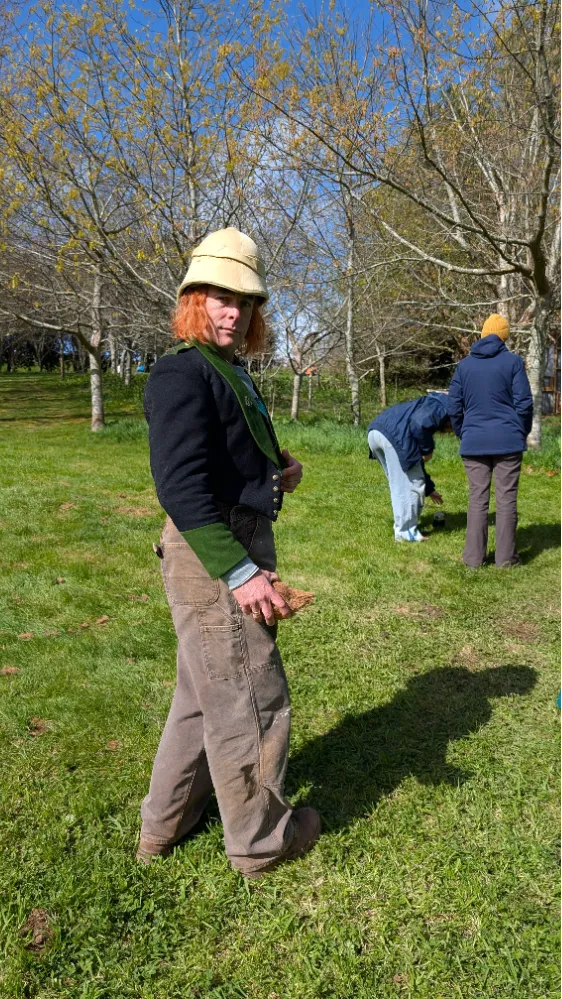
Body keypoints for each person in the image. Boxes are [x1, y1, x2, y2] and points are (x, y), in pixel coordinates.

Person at [137, 227, 321, 878]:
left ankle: (165, 824)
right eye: (218, 296)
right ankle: (261, 840)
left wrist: (275, 468)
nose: (232, 311)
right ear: (193, 298)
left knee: (202, 695)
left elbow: (223, 455)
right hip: (214, 549)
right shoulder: (180, 371)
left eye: (244, 301)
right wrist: (241, 572)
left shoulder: (225, 370)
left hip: (231, 534)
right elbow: (181, 486)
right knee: (252, 694)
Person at [448, 313, 533, 568]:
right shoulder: (513, 362)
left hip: (474, 441)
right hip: (508, 440)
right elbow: (525, 404)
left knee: (477, 499)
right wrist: (521, 431)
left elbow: (453, 406)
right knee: (506, 499)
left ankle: (473, 559)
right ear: (504, 336)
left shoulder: (464, 366)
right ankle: (506, 560)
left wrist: (464, 432)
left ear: (483, 335)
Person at [367, 393, 448, 541]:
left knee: (400, 484)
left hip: (376, 432)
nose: (449, 432)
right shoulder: (442, 406)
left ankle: (404, 529)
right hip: (394, 437)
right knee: (409, 487)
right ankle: (406, 533)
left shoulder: (430, 402)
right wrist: (427, 450)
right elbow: (419, 423)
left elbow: (413, 463)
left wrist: (429, 489)